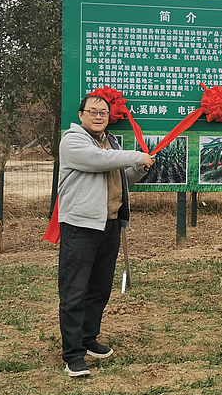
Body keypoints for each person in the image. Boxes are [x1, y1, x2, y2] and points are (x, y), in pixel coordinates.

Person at [57, 94, 154, 377]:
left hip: (109, 224)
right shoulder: (73, 140)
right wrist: (137, 155)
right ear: (81, 114)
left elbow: (118, 177)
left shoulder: (111, 142)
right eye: (93, 111)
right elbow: (98, 161)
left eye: (103, 112)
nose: (98, 116)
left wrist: (139, 169)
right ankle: (73, 354)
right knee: (74, 291)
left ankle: (89, 338)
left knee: (99, 289)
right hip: (80, 226)